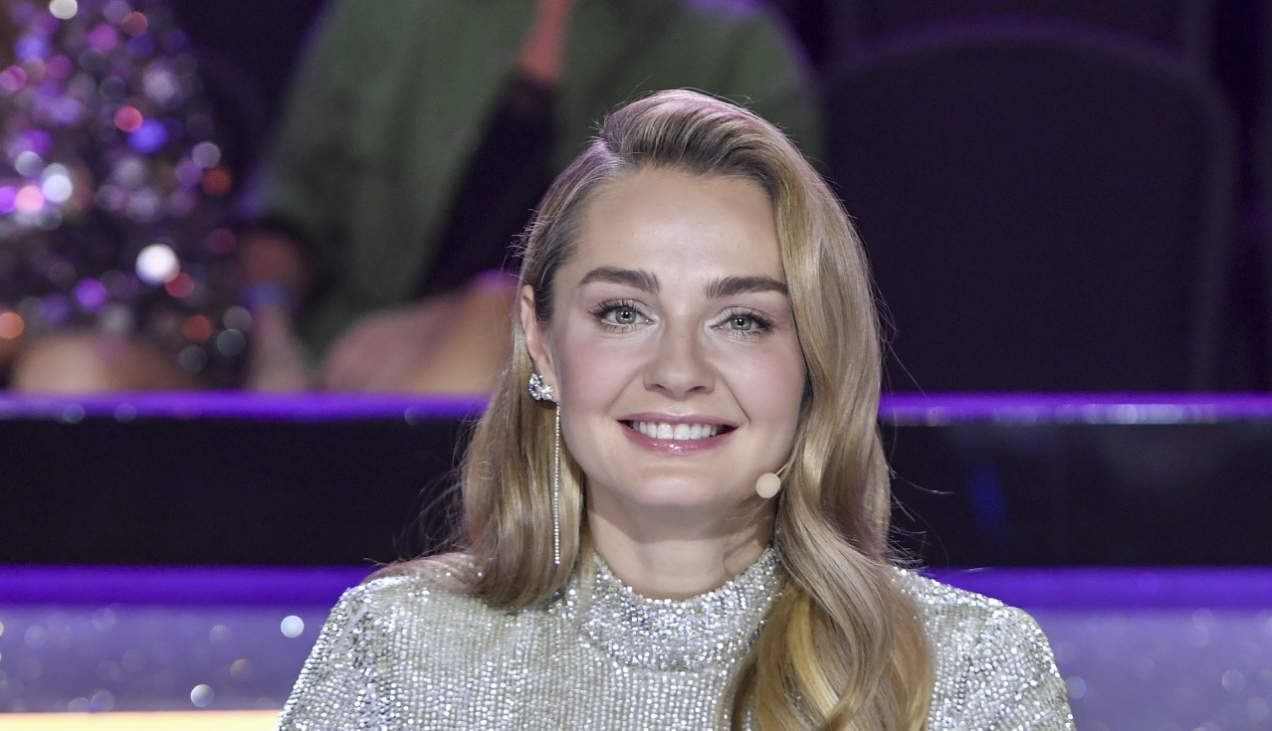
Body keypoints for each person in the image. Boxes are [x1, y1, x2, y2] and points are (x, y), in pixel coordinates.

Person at [275, 90, 1074, 730]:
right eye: (624, 312)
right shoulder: (399, 652)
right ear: (542, 342)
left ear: (814, 361)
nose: (679, 371)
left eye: (743, 319)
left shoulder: (966, 675)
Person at [237, 0, 821, 393]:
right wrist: (271, 338)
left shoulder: (736, 47)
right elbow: (285, 210)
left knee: (487, 319)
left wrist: (474, 317)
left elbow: (767, 291)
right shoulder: (383, 14)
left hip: (596, 391)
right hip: (348, 374)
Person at [0, 0, 244, 391]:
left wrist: (16, 327)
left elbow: (170, 266)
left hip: (120, 346)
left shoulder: (105, 28)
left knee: (70, 375)